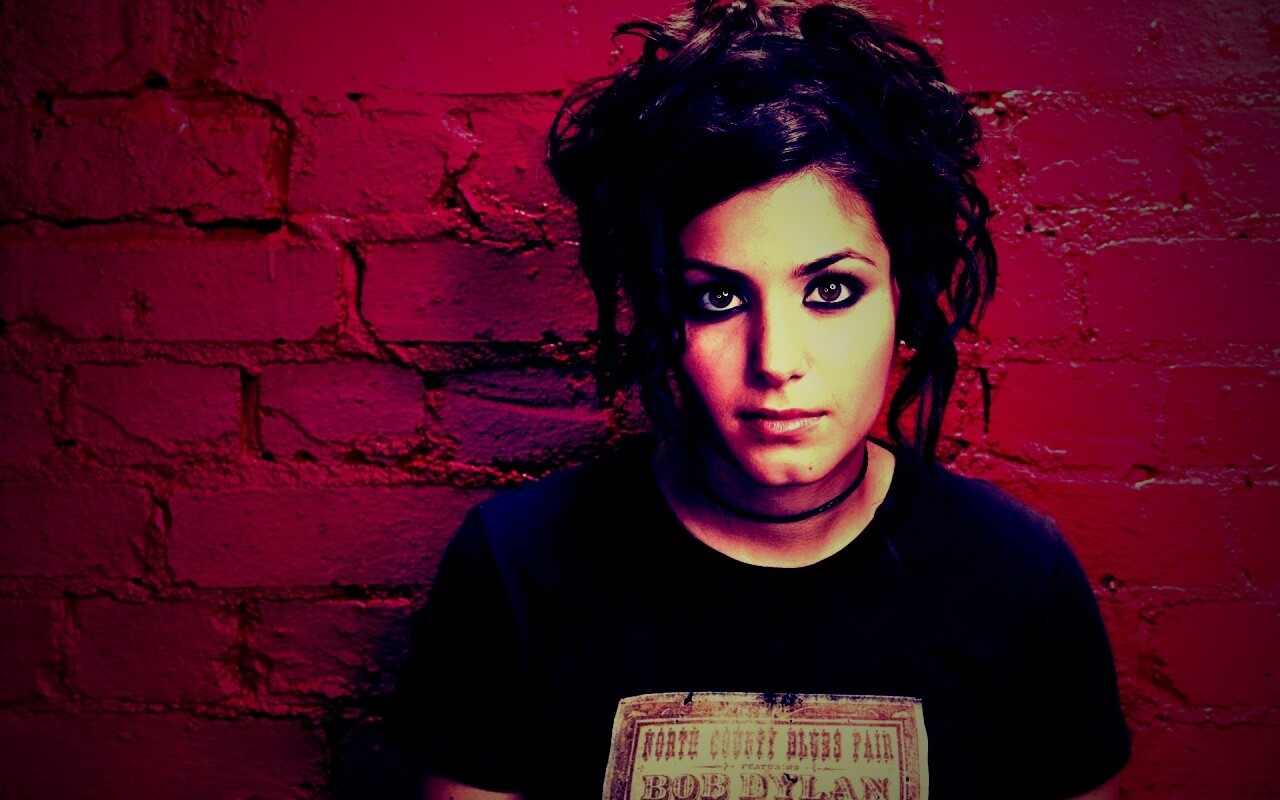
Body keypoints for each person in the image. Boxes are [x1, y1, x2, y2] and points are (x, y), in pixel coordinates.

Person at [388, 1, 1130, 797]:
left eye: (832, 290)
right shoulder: (517, 566)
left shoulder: (1016, 574)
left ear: (902, 300)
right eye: (718, 299)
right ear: (659, 313)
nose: (776, 361)